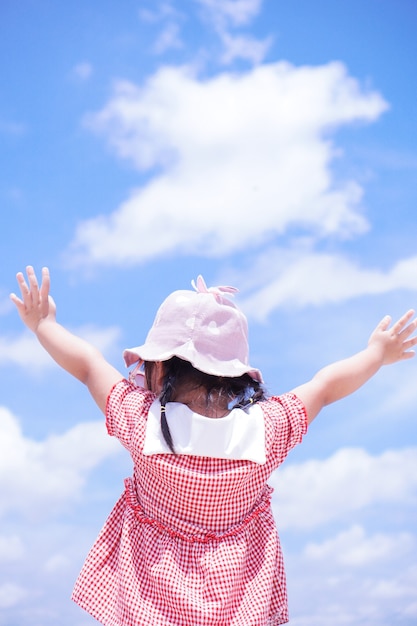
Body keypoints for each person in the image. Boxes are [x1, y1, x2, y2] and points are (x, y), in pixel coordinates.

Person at [10, 266, 417, 626]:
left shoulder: (142, 423)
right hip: (240, 606)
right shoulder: (267, 430)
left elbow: (87, 366)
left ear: (160, 368)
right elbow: (325, 388)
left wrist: (43, 324)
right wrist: (377, 354)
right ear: (236, 377)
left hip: (148, 603)